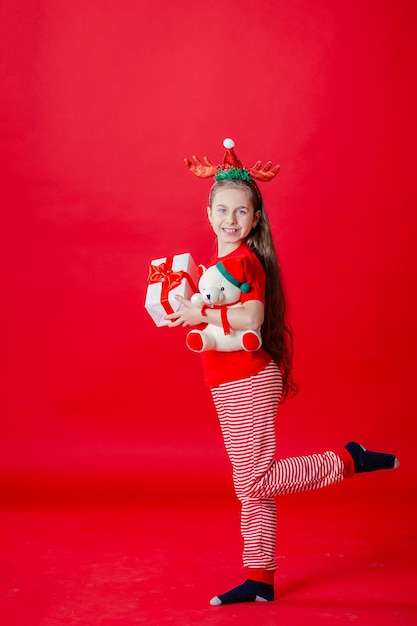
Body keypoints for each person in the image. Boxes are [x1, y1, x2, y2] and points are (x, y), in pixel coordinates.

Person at [165, 139, 399, 606]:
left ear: (255, 220)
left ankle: (349, 459)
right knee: (251, 487)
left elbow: (251, 320)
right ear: (208, 214)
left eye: (242, 213)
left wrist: (198, 317)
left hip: (249, 377)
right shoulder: (219, 265)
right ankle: (260, 580)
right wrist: (186, 310)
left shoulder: (244, 261)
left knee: (252, 482)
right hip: (227, 380)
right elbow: (216, 314)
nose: (231, 220)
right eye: (223, 210)